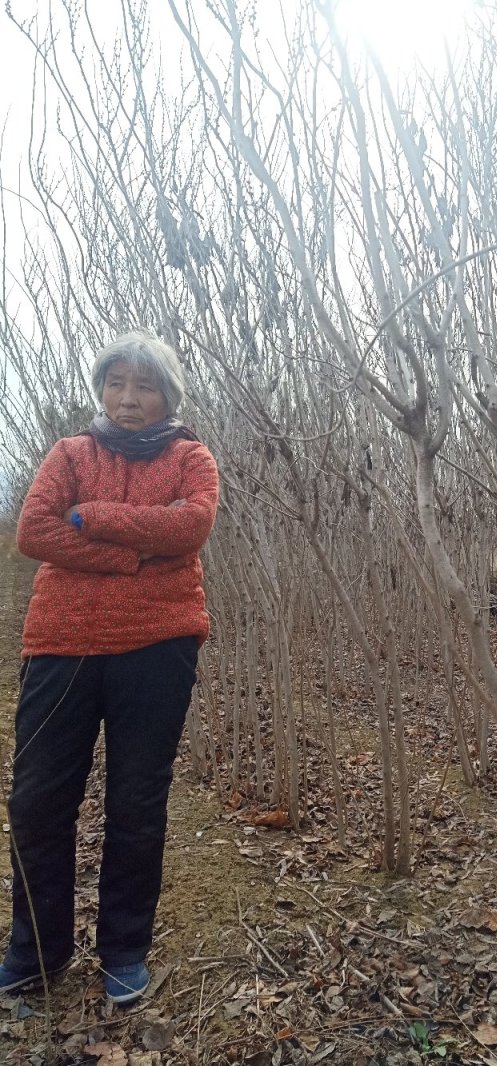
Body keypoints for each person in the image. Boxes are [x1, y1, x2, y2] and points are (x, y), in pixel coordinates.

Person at [0, 331, 218, 1005]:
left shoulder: (191, 456)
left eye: (144, 386)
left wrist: (91, 518)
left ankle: (124, 949)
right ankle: (37, 950)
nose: (128, 398)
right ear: (102, 389)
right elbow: (34, 531)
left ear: (167, 396)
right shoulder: (69, 452)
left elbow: (191, 525)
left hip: (159, 644)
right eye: (117, 383)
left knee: (136, 801)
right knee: (37, 801)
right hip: (63, 643)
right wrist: (130, 556)